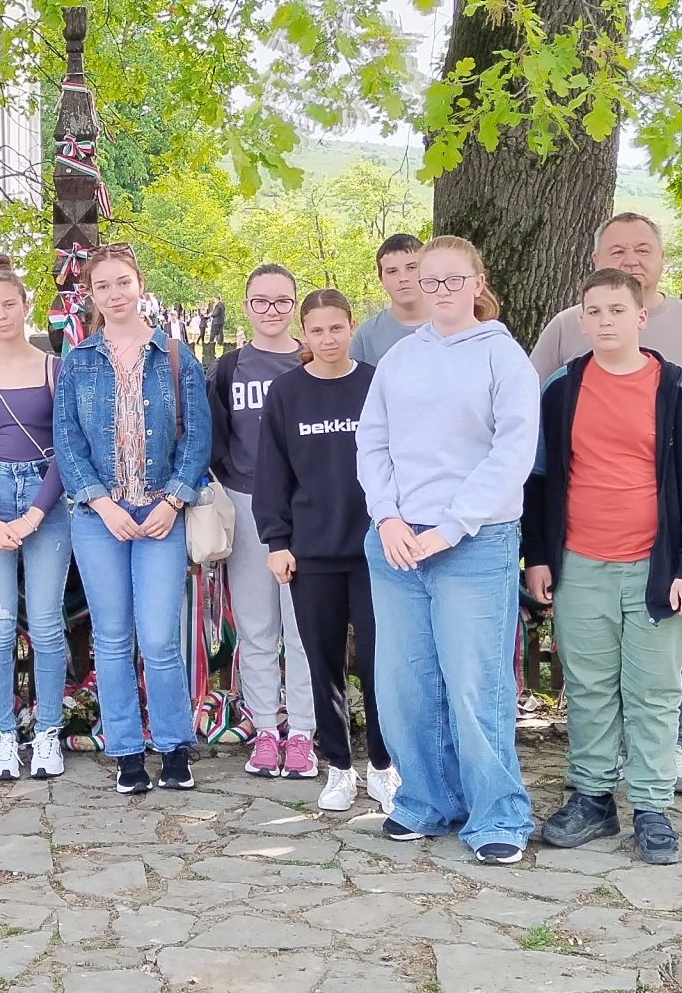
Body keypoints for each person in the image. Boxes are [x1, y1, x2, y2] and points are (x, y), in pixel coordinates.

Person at [531, 212, 682, 798]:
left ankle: (654, 798)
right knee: (590, 684)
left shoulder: (676, 384)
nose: (606, 320)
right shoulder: (562, 386)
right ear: (581, 318)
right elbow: (539, 475)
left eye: (618, 311)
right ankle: (592, 794)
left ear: (641, 317)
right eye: (595, 312)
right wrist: (539, 554)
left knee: (656, 684)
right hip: (581, 560)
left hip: (658, 556)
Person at [359, 236, 539, 862]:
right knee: (404, 687)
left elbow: (511, 453)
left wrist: (453, 526)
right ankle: (427, 801)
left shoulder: (503, 357)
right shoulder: (400, 358)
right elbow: (372, 442)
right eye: (428, 280)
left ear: (476, 283)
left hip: (474, 542)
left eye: (452, 280)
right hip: (398, 545)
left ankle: (498, 815)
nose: (439, 290)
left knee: (474, 686)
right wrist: (386, 517)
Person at [53, 243, 210, 796]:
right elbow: (67, 441)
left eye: (123, 282)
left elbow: (197, 437)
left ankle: (173, 745)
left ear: (139, 284)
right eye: (103, 286)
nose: (115, 294)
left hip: (161, 513)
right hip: (100, 519)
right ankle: (125, 750)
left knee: (160, 637)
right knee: (113, 636)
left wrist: (173, 501)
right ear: (91, 295)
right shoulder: (78, 362)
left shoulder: (175, 356)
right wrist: (101, 503)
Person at [253, 288, 391, 816]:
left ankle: (383, 766)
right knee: (323, 665)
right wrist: (277, 541)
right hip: (311, 553)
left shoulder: (375, 384)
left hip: (375, 550)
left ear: (351, 326)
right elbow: (273, 473)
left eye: (336, 327)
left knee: (380, 665)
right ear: (304, 335)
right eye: (317, 330)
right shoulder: (287, 392)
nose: (328, 338)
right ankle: (339, 767)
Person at [0, 262, 73, 782]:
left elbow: (67, 447)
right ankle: (3, 736)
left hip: (45, 498)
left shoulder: (55, 368)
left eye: (9, 304)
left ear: (26, 305)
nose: (1, 314)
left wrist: (34, 514)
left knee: (45, 623)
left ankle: (47, 732)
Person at [211, 262, 316, 777]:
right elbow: (214, 440)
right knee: (256, 626)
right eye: (261, 301)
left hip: (307, 510)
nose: (271, 310)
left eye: (282, 301)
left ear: (294, 304)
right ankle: (267, 730)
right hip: (248, 503)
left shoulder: (312, 360)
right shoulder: (229, 368)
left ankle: (303, 732)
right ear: (246, 305)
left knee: (303, 627)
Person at [350, 234, 428, 367]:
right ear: (381, 279)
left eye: (411, 268)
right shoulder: (366, 335)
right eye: (392, 271)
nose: (403, 278)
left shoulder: (453, 326)